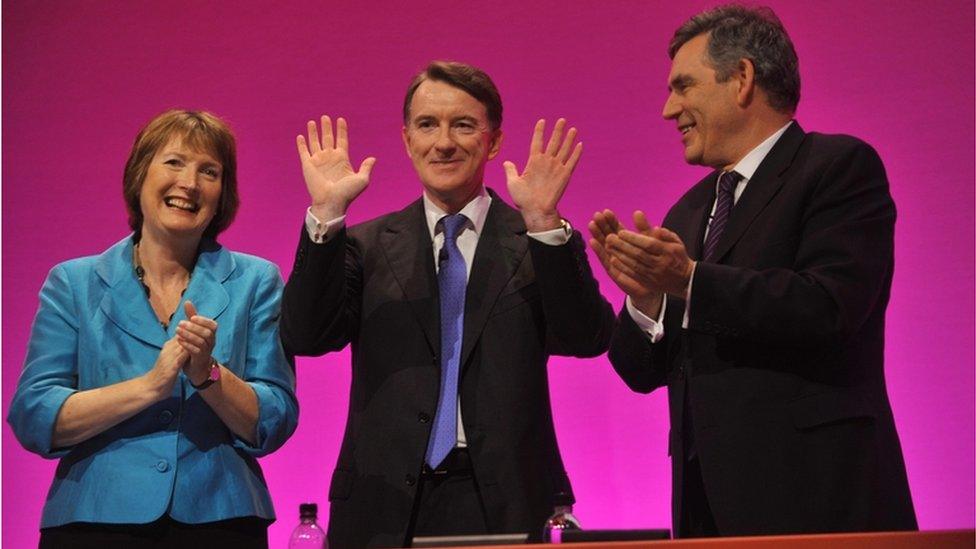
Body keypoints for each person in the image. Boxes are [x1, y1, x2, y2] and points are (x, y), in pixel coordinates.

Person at [588, 5, 917, 538]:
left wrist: (691, 281)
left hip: (817, 500)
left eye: (683, 86)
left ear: (741, 79)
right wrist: (646, 300)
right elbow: (641, 372)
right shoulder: (689, 212)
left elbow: (828, 305)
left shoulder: (836, 167)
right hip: (705, 510)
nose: (669, 109)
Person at [281, 61, 614, 547]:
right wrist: (327, 215)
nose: (444, 142)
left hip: (507, 502)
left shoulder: (535, 240)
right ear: (406, 139)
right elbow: (308, 336)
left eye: (463, 125)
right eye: (427, 125)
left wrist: (544, 220)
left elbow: (589, 337)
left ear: (493, 140)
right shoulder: (365, 245)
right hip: (384, 504)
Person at [7, 110, 299, 548]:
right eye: (175, 162)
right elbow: (34, 415)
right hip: (92, 520)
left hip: (219, 520)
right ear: (139, 175)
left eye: (209, 171)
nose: (190, 183)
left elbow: (274, 419)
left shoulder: (257, 281)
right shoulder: (73, 283)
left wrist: (208, 376)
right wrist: (149, 387)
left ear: (223, 195)